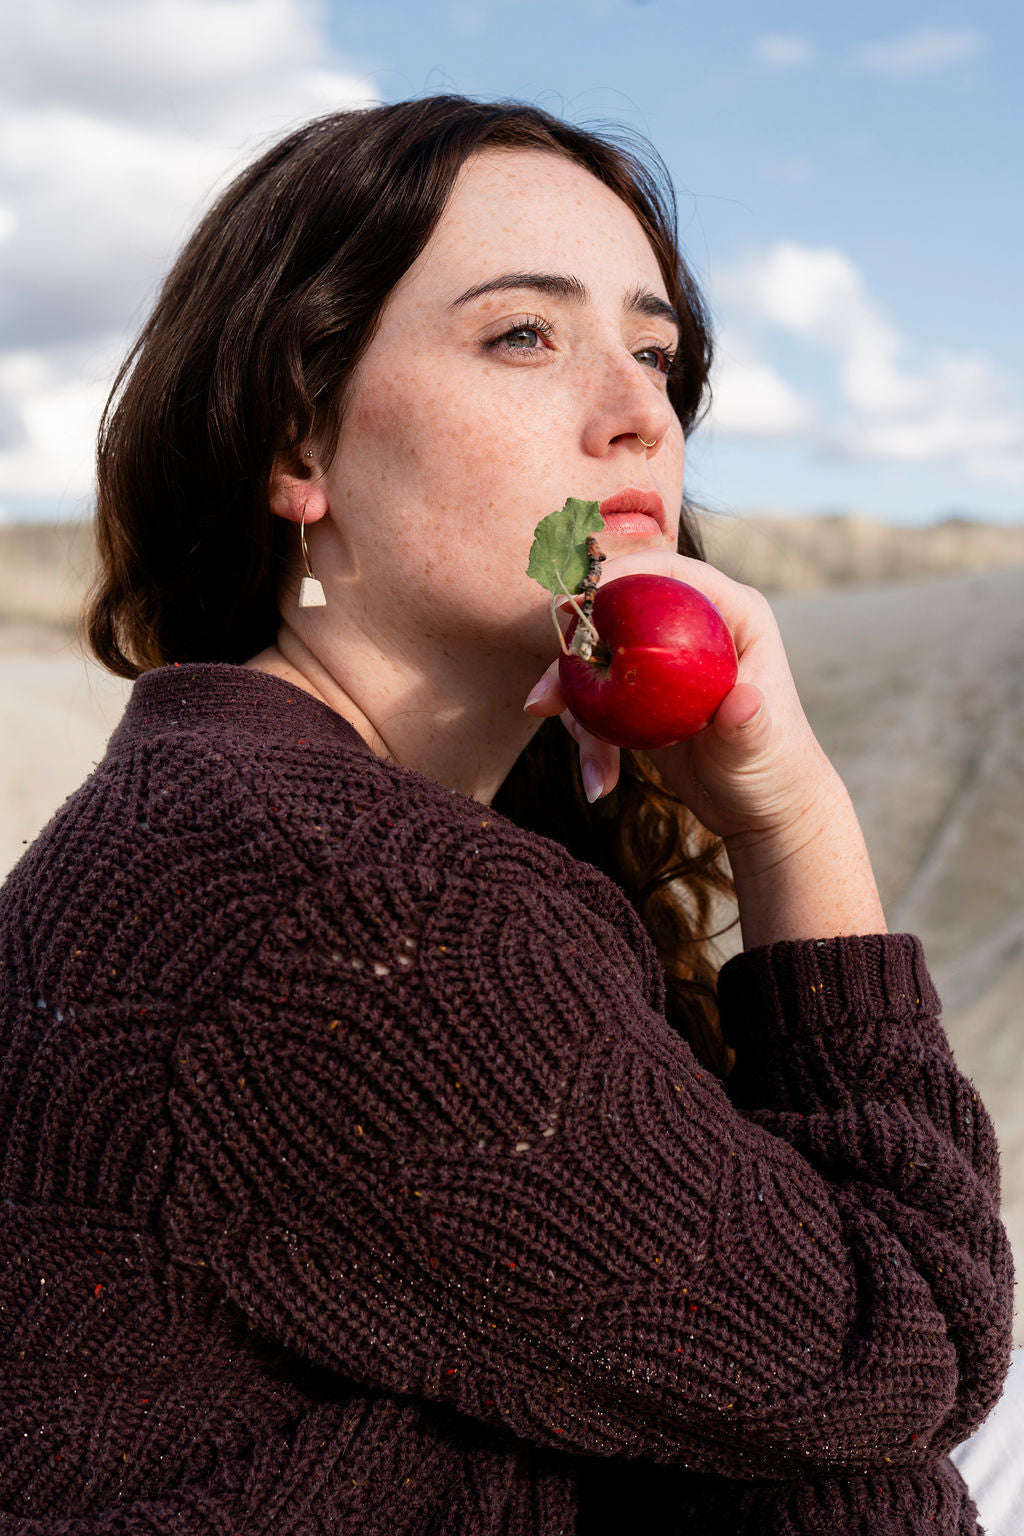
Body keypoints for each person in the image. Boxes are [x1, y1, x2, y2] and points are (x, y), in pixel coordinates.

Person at [0, 95, 1013, 1534]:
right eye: (524, 336)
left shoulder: (231, 801)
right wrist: (793, 822)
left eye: (656, 353)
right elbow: (896, 1347)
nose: (639, 413)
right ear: (302, 442)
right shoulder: (356, 900)